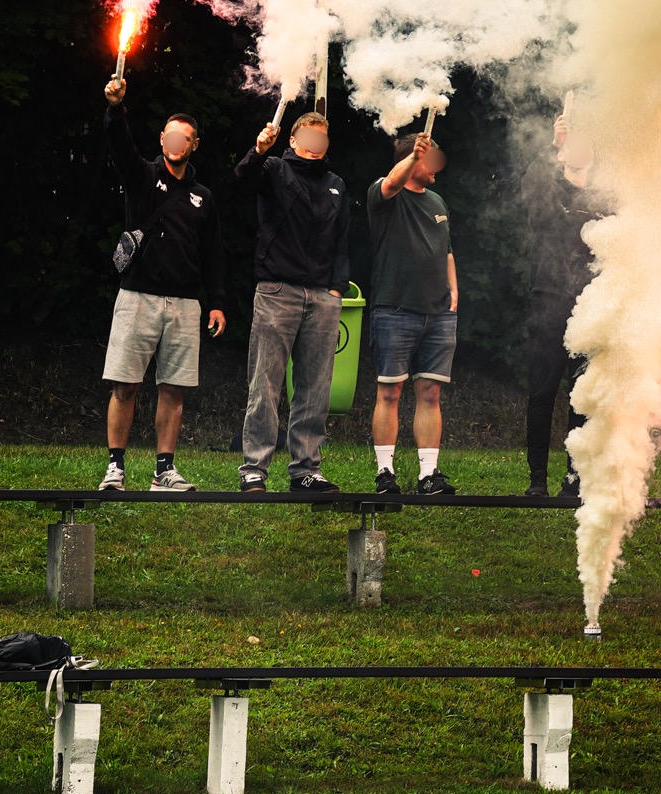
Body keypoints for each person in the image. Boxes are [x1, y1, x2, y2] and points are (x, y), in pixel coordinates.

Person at [99, 75, 226, 493]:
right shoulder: (141, 176)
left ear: (194, 145)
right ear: (161, 139)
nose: (176, 142)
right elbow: (120, 145)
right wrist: (115, 109)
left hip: (185, 304)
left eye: (184, 138)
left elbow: (213, 254)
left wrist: (217, 302)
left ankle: (164, 472)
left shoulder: (204, 197)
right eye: (170, 135)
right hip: (138, 296)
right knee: (125, 385)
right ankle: (115, 468)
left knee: (174, 389)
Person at [234, 111, 351, 496]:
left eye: (323, 138)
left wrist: (336, 289)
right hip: (276, 291)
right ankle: (254, 469)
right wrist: (257, 151)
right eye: (310, 137)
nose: (317, 145)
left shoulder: (336, 184)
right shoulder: (273, 170)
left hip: (322, 298)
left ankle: (305, 470)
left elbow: (342, 241)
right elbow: (242, 180)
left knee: (315, 388)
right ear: (295, 140)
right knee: (264, 384)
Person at [366, 129, 458, 498]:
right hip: (394, 309)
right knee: (390, 392)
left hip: (438, 314)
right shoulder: (384, 193)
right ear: (414, 159)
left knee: (431, 393)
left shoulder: (438, 201)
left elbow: (447, 250)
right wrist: (413, 155)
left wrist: (454, 290)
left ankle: (428, 475)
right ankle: (385, 473)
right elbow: (391, 182)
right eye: (429, 158)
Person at [520, 106, 605, 501]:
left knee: (581, 396)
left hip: (589, 309)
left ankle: (574, 479)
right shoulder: (547, 192)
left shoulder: (602, 199)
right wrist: (552, 147)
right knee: (542, 393)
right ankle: (537, 479)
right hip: (548, 303)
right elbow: (533, 191)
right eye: (572, 146)